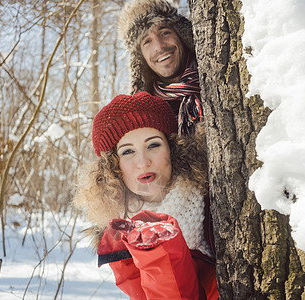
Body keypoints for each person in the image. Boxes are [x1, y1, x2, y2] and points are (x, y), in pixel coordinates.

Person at [73, 92, 218, 299]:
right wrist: (155, 252)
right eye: (127, 152)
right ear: (114, 167)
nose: (143, 162)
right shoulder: (119, 239)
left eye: (153, 145)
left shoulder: (213, 202)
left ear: (173, 148)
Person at [118, 0, 202, 135]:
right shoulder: (145, 117)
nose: (159, 46)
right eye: (147, 41)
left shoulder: (217, 78)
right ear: (140, 58)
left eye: (165, 33)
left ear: (181, 35)